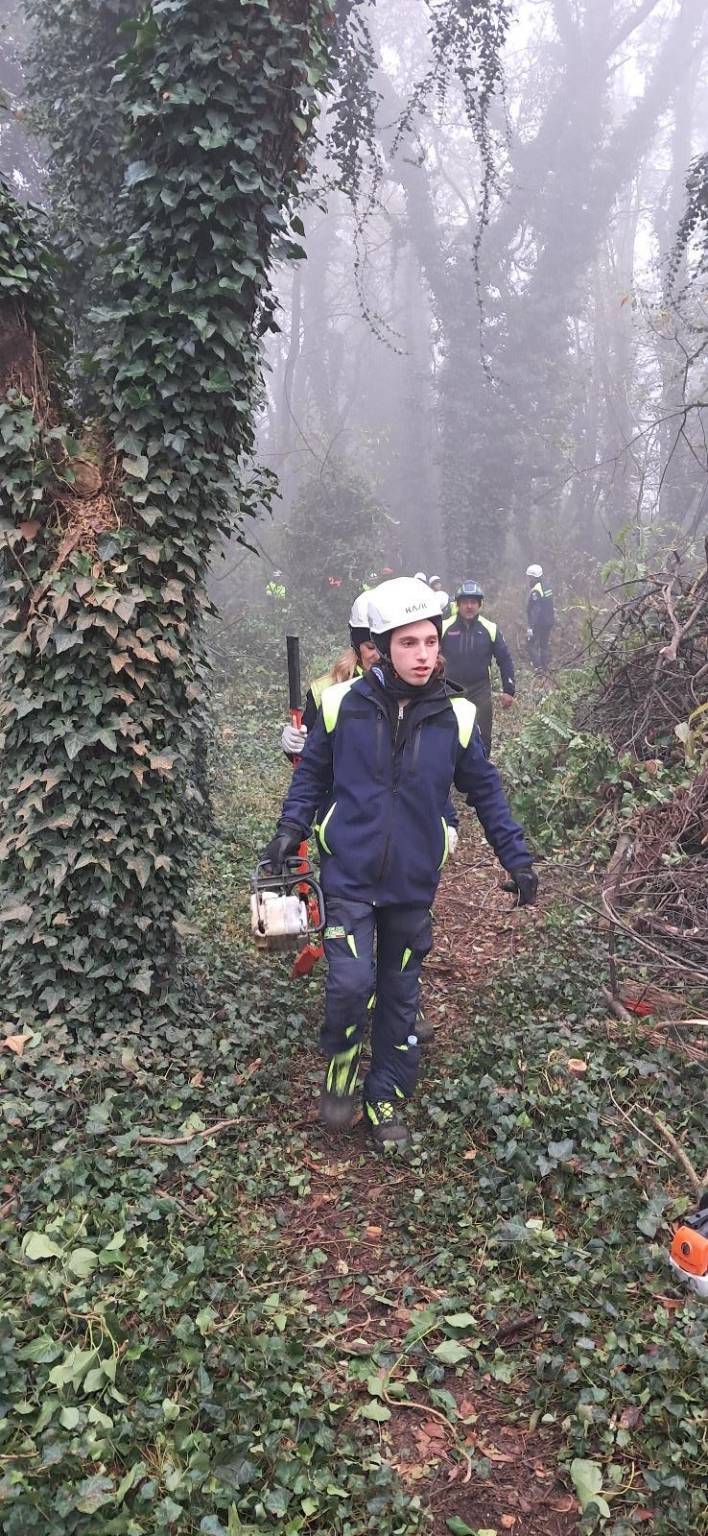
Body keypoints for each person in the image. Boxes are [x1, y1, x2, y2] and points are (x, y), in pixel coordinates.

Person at [260, 577, 536, 1151]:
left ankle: (384, 1097)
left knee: (400, 996)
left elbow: (486, 792)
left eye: (430, 643)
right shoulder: (339, 706)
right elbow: (311, 775)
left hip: (412, 884)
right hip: (350, 877)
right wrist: (289, 830)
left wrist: (517, 858)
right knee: (349, 985)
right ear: (381, 648)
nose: (423, 655)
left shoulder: (456, 716)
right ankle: (339, 1067)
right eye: (408, 644)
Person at [280, 592, 457, 1046]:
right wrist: (291, 746)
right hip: (349, 826)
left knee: (403, 937)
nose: (380, 654)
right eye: (373, 647)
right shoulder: (329, 693)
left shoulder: (424, 691)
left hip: (407, 832)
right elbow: (312, 767)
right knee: (353, 957)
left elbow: (434, 767)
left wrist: (447, 820)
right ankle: (353, 1001)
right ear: (363, 644)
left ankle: (400, 1000)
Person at [441, 581, 515, 756]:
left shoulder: (490, 628)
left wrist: (509, 690)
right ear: (457, 604)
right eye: (465, 602)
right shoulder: (443, 627)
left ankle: (480, 773)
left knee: (482, 735)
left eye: (473, 602)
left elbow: (504, 659)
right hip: (449, 690)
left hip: (480, 690)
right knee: (449, 733)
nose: (469, 606)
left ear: (480, 605)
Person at [526, 565, 555, 670]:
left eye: (529, 577)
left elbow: (535, 610)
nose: (528, 579)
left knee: (530, 644)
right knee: (544, 644)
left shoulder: (536, 591)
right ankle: (545, 667)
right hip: (549, 621)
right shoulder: (547, 586)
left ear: (533, 578)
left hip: (540, 623)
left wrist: (531, 627)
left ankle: (538, 668)